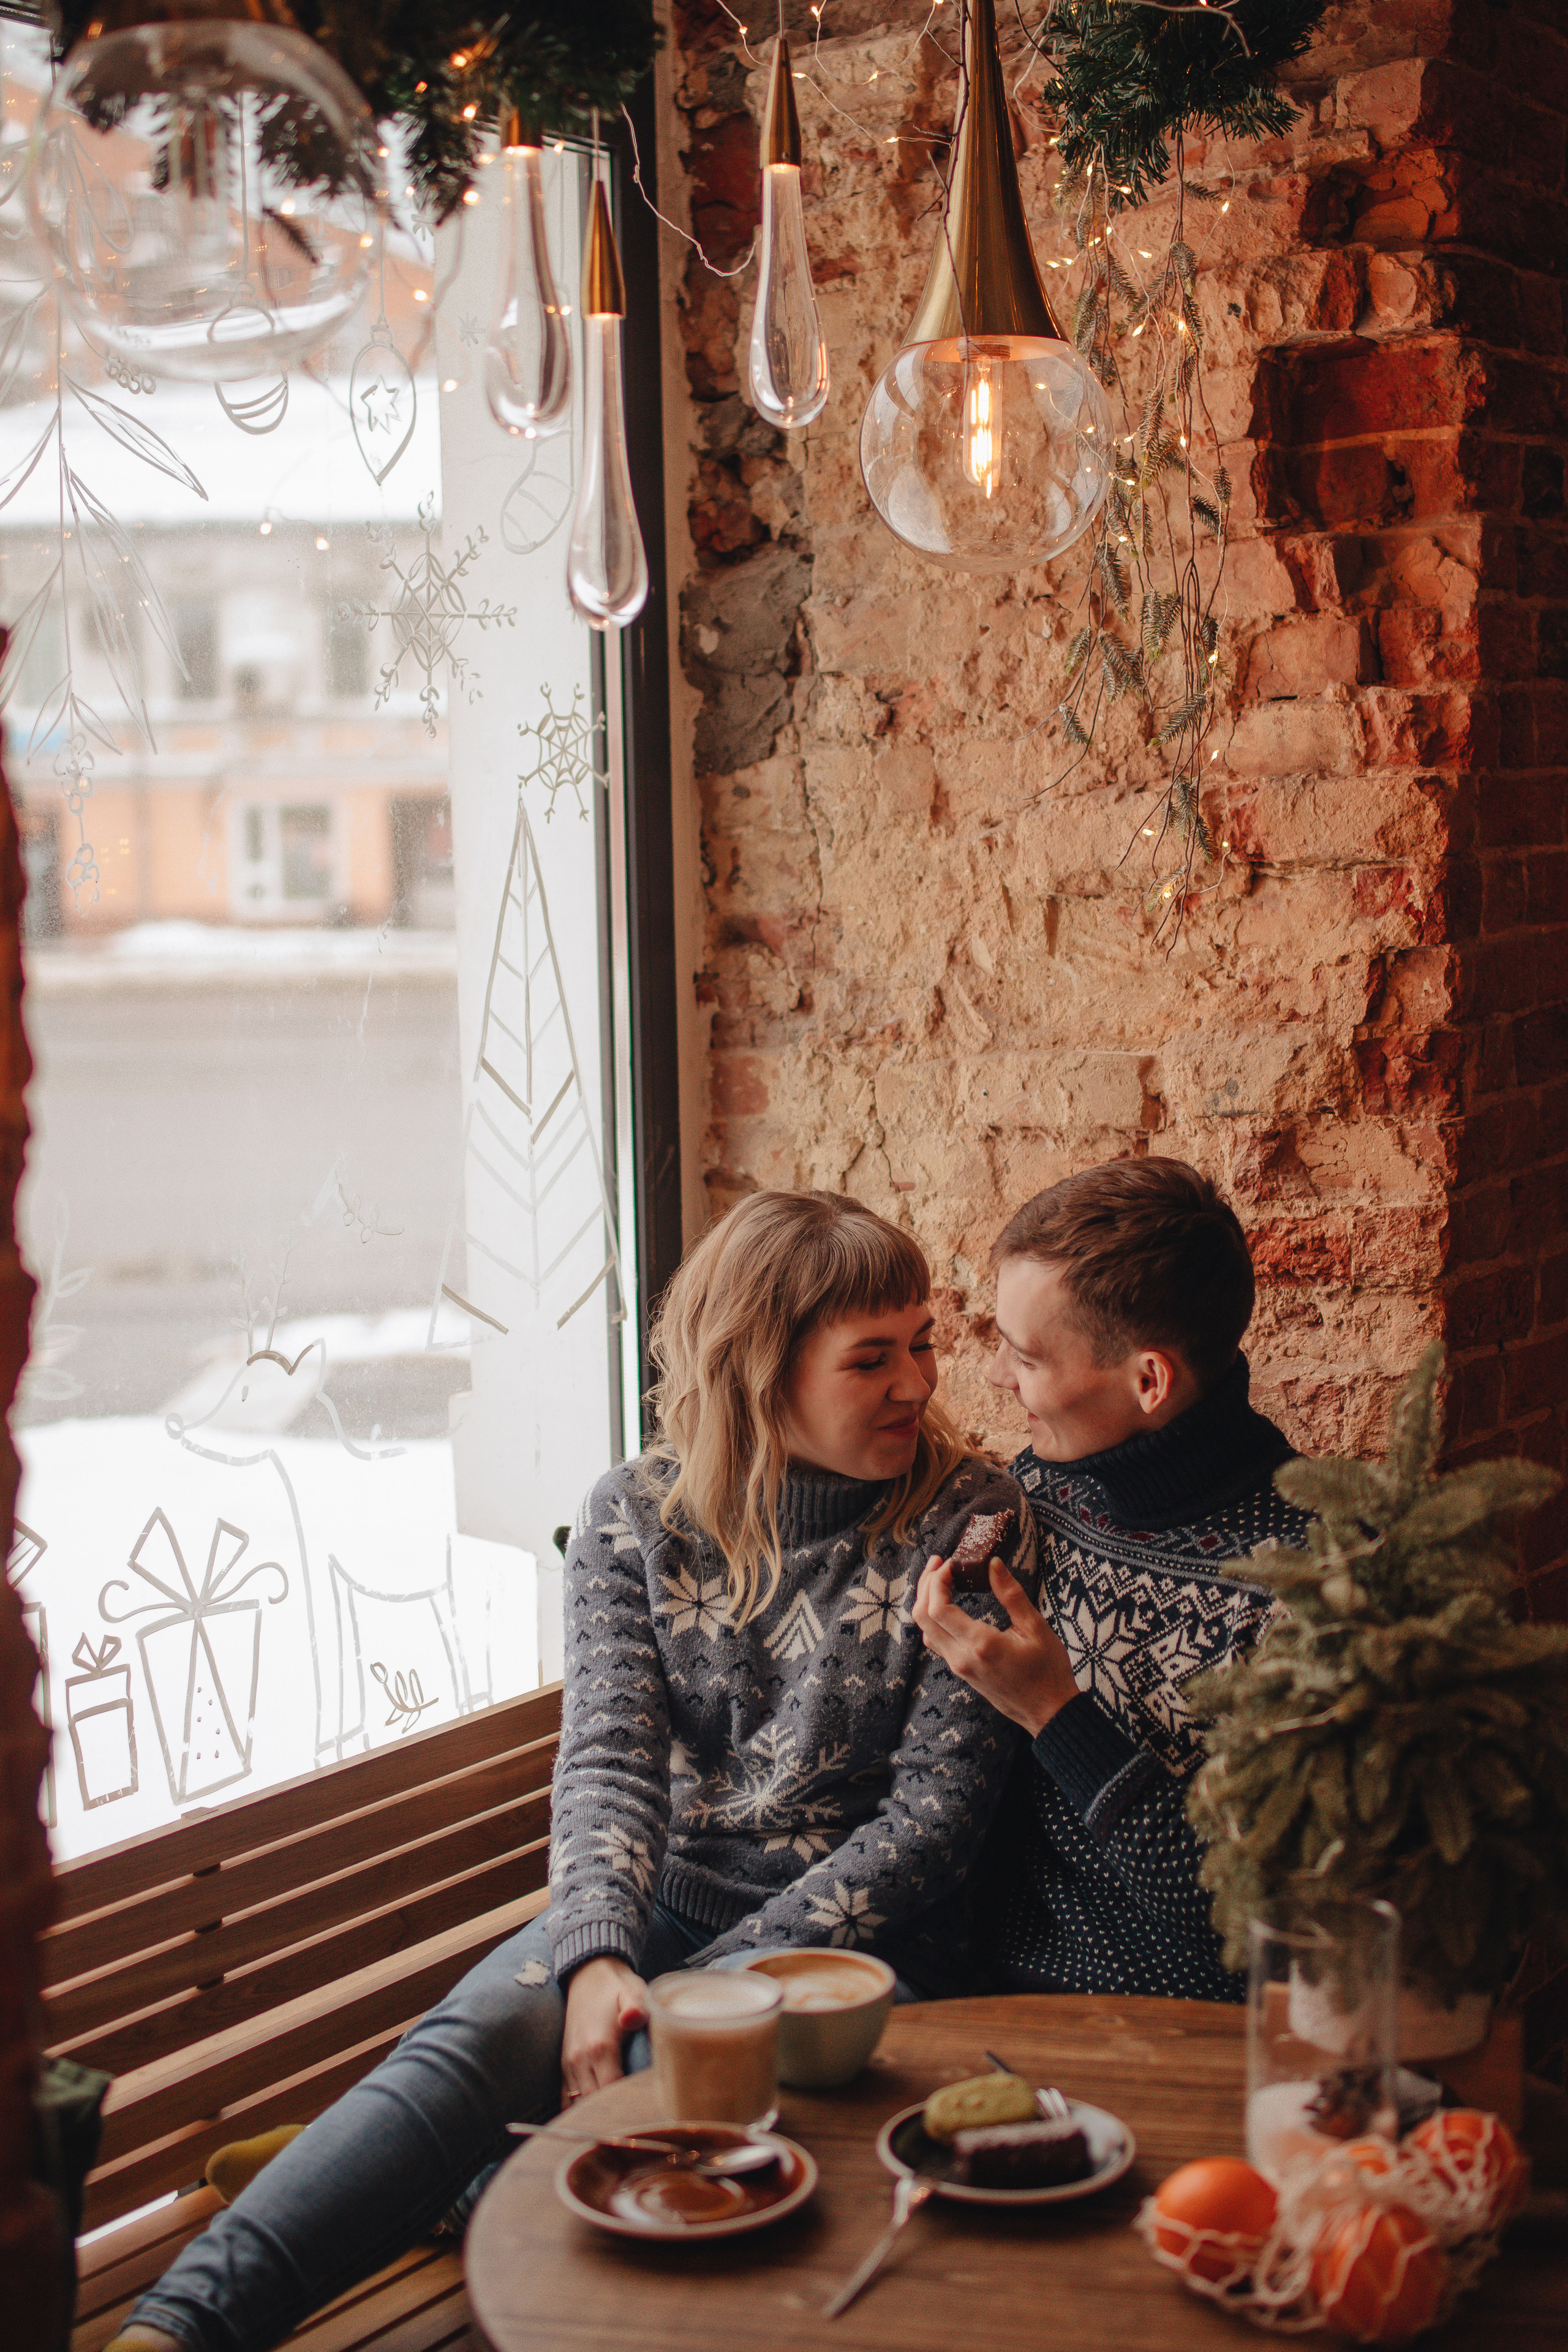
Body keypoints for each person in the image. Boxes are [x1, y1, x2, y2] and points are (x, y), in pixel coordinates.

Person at [116, 1189, 1033, 2352]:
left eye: (922, 1346)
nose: (917, 1385)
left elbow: (933, 1824)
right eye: (872, 1360)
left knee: (660, 2077)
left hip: (861, 1958)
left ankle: (459, 2178)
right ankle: (179, 2327)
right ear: (762, 1370)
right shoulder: (635, 1515)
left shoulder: (971, 1518)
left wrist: (694, 1987)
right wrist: (602, 1955)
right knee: (475, 2039)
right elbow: (606, 1760)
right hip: (654, 1910)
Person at [913, 1157, 1312, 2002]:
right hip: (980, 1990)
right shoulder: (1048, 1489)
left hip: (1184, 2030)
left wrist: (1055, 1715)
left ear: (1149, 1380)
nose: (993, 1378)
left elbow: (1261, 1928)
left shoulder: (1310, 1592)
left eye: (1024, 1356)